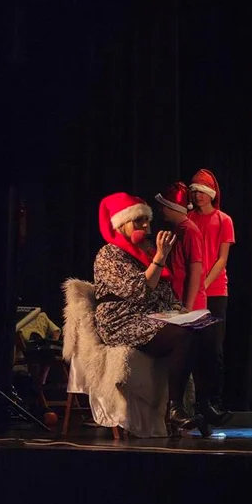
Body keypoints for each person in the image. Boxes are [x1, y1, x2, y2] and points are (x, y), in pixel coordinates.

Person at [93, 192, 217, 437]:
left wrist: (180, 310)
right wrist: (160, 258)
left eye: (147, 220)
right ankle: (175, 408)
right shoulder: (109, 254)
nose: (145, 226)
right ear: (121, 224)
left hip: (152, 316)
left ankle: (203, 404)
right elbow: (138, 291)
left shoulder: (147, 250)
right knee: (183, 336)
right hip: (122, 319)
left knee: (205, 330)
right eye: (138, 220)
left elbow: (164, 290)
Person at [188, 168, 235, 412]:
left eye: (202, 192)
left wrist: (204, 285)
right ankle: (194, 401)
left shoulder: (223, 220)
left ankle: (214, 401)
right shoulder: (188, 219)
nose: (198, 196)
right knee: (192, 346)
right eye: (195, 192)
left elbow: (222, 258)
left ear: (212, 194)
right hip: (191, 291)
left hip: (215, 291)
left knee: (214, 347)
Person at [155, 181, 207, 312]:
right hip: (176, 301)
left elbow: (195, 270)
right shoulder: (176, 229)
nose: (160, 210)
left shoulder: (189, 231)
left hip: (188, 304)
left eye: (163, 206)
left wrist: (188, 307)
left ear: (172, 207)